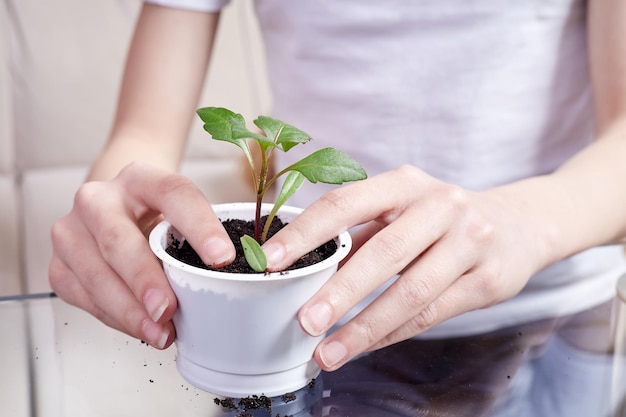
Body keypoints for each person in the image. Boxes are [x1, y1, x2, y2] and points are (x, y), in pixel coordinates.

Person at [50, 0, 626, 382]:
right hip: (301, 329)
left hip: (559, 319)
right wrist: (114, 205)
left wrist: (520, 222)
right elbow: (144, 132)